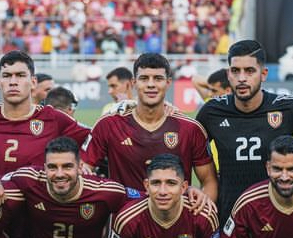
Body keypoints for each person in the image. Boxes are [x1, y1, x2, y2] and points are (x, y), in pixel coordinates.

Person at [196, 39, 293, 238]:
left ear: (263, 73)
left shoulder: (288, 109)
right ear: (228, 73)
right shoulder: (211, 112)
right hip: (229, 219)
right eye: (235, 71)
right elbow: (187, 150)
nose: (241, 78)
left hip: (280, 218)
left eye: (249, 71)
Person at [4, 137, 130, 238]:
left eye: (67, 166)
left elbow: (143, 200)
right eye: (52, 167)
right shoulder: (29, 179)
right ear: (44, 168)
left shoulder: (106, 191)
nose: (59, 174)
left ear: (80, 167)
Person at [82, 52, 217, 198]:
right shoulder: (108, 124)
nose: (151, 84)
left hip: (177, 219)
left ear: (168, 83)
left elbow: (209, 181)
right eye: (144, 78)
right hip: (124, 217)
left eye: (158, 78)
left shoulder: (190, 129)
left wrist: (204, 210)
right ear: (134, 83)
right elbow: (83, 170)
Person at [0, 50, 90, 176]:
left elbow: (92, 138)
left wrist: (84, 162)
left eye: (20, 75)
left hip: (36, 206)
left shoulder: (53, 118)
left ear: (33, 82)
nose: (13, 82)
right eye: (7, 76)